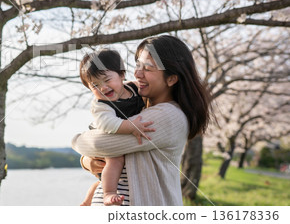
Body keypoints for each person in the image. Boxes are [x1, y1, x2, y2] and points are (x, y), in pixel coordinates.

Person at [72, 35, 213, 206]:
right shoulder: (135, 98)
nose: (137, 73)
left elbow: (100, 144)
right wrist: (88, 162)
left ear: (171, 78)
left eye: (147, 68)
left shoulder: (168, 116)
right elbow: (105, 146)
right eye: (138, 65)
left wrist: (77, 141)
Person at [78, 49, 155, 206]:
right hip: (107, 135)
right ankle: (109, 193)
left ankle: (93, 192)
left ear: (121, 74)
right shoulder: (101, 105)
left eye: (107, 80)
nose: (103, 88)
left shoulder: (134, 88)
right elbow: (109, 124)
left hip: (120, 134)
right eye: (95, 85)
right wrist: (132, 126)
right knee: (115, 159)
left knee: (109, 171)